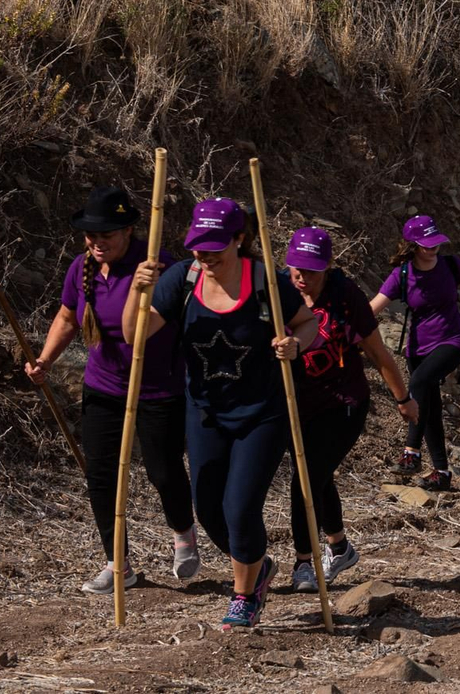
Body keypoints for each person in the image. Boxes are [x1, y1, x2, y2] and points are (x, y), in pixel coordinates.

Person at [126, 198, 316, 633]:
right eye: (198, 248)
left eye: (215, 249)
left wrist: (296, 345)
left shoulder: (267, 280)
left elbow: (308, 323)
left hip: (263, 412)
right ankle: (258, 564)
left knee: (239, 506)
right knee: (207, 507)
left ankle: (244, 595)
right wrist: (139, 292)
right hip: (205, 410)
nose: (205, 257)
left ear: (239, 240)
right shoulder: (183, 278)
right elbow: (133, 335)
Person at [23, 185, 199, 593]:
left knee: (163, 470)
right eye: (91, 235)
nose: (97, 242)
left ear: (129, 231)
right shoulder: (81, 268)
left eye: (106, 235)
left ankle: (184, 536)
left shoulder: (158, 267)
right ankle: (117, 563)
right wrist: (45, 360)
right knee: (101, 476)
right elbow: (68, 317)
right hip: (103, 385)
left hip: (158, 386)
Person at [283, 226, 418, 593]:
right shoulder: (279, 291)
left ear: (327, 267)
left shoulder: (345, 297)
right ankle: (339, 548)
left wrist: (403, 399)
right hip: (298, 404)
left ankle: (302, 563)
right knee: (317, 474)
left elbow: (377, 352)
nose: (301, 277)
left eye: (310, 270)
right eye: (296, 268)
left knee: (307, 477)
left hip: (344, 404)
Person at [369, 214, 460, 490]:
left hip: (451, 340)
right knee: (430, 406)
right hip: (417, 348)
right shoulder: (402, 275)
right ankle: (442, 473)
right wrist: (339, 327)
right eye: (426, 243)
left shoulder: (450, 265)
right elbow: (372, 309)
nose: (432, 247)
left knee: (417, 383)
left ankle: (411, 453)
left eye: (435, 241)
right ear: (412, 244)